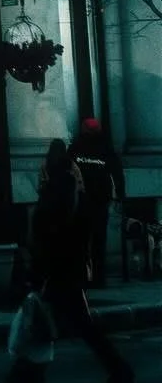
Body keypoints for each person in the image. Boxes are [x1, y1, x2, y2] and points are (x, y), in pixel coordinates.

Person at [14, 138, 134, 383]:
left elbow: (45, 236)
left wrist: (37, 270)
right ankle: (27, 372)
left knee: (63, 324)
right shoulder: (76, 193)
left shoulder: (54, 194)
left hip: (58, 271)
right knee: (48, 322)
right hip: (70, 269)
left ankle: (120, 371)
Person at [67, 116, 126, 289]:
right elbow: (117, 171)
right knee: (99, 240)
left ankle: (84, 276)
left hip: (83, 201)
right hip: (100, 199)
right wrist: (121, 195)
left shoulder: (76, 147)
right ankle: (99, 277)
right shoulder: (105, 148)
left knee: (82, 240)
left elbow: (67, 169)